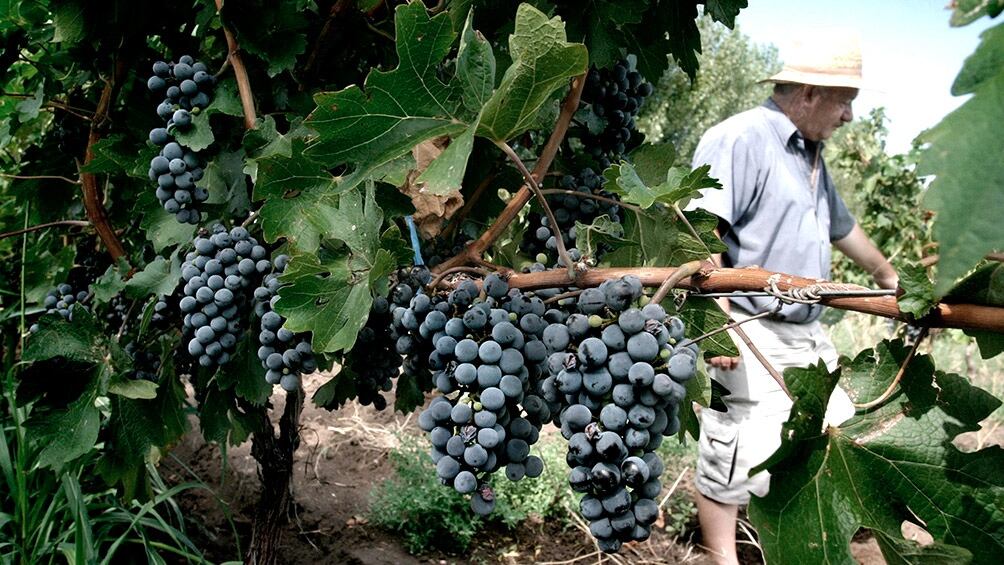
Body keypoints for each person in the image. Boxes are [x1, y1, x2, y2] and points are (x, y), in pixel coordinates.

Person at [686, 34, 898, 565]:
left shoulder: (810, 156)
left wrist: (887, 274)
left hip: (807, 331)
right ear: (808, 94)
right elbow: (699, 230)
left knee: (834, 431)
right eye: (845, 101)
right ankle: (722, 557)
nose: (849, 116)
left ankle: (794, 538)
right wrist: (718, 323)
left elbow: (842, 228)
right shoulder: (740, 138)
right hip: (748, 323)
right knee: (734, 444)